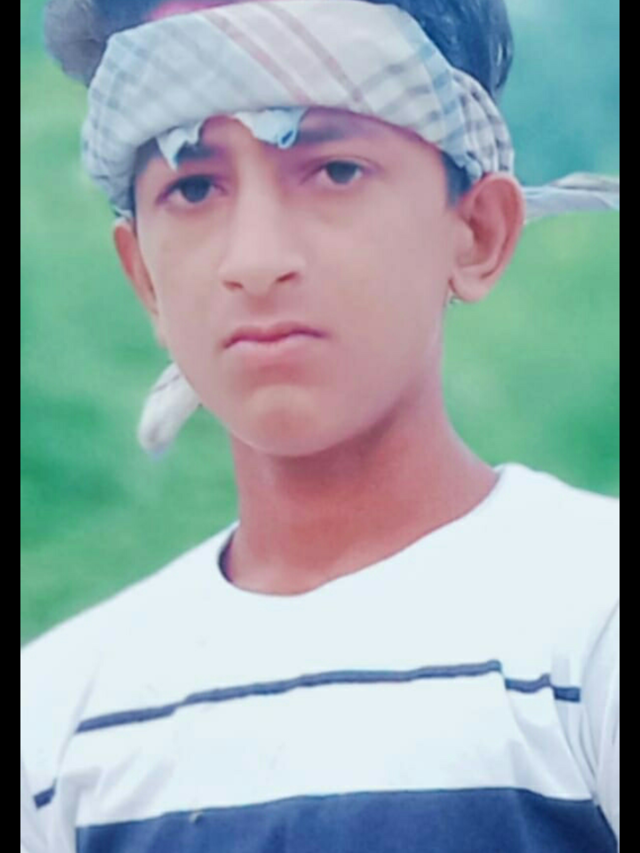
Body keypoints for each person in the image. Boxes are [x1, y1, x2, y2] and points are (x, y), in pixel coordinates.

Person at [21, 0, 619, 850]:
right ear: (144, 276)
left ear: (477, 231)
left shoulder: (594, 631)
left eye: (335, 170)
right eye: (194, 186)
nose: (256, 260)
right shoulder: (58, 727)